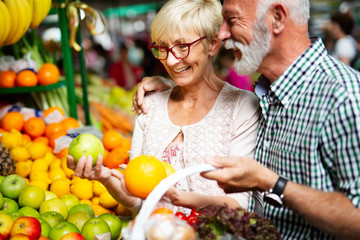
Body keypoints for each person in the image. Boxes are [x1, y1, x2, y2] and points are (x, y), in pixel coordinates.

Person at [132, 0, 360, 239]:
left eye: (232, 20)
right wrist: (174, 87)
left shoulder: (345, 95)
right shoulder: (270, 93)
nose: (221, 33)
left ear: (277, 18)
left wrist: (271, 182)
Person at [68, 0, 259, 215]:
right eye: (163, 48)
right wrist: (106, 179)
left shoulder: (242, 108)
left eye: (182, 46)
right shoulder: (150, 105)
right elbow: (137, 198)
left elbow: (244, 203)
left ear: (213, 45)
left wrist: (178, 198)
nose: (171, 60)